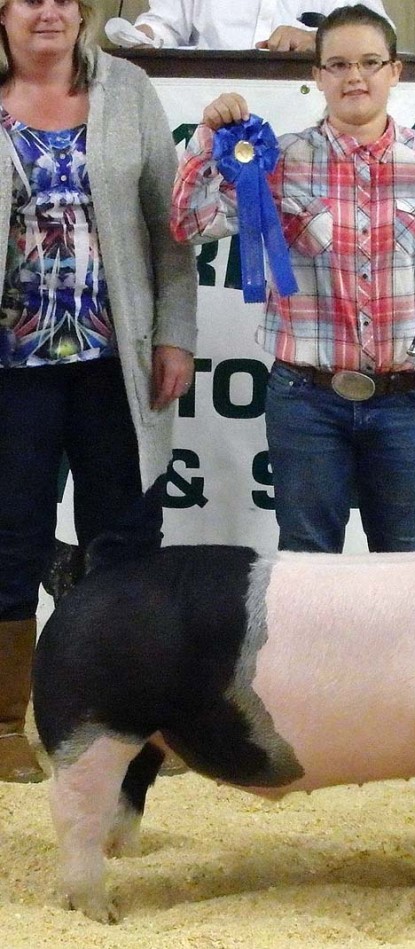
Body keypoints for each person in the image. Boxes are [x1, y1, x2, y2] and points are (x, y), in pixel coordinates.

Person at [172, 3, 415, 554]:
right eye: (338, 64)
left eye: (371, 62)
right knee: (307, 560)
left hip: (408, 399)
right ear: (318, 76)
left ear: (396, 71)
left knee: (405, 561)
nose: (355, 76)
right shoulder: (275, 160)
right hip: (307, 398)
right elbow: (192, 224)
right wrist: (207, 144)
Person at [0, 0, 197, 782]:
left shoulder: (128, 90)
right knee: (9, 539)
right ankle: (4, 725)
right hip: (11, 369)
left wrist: (175, 333)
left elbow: (170, 226)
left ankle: (131, 719)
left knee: (126, 539)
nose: (48, 10)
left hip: (117, 361)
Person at [125, 0, 392, 51]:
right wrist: (144, 36)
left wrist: (320, 40)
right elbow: (164, 24)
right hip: (210, 106)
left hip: (309, 105)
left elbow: (382, 35)